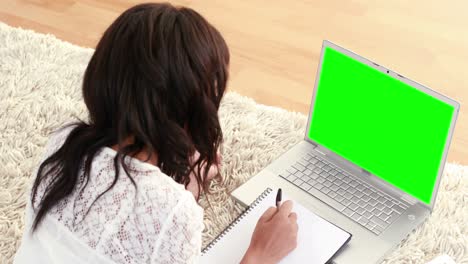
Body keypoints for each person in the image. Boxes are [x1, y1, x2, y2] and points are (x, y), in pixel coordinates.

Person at [14, 3, 298, 264]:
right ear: (191, 110)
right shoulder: (173, 214)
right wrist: (261, 253)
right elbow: (154, 220)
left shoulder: (63, 143)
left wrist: (187, 189)